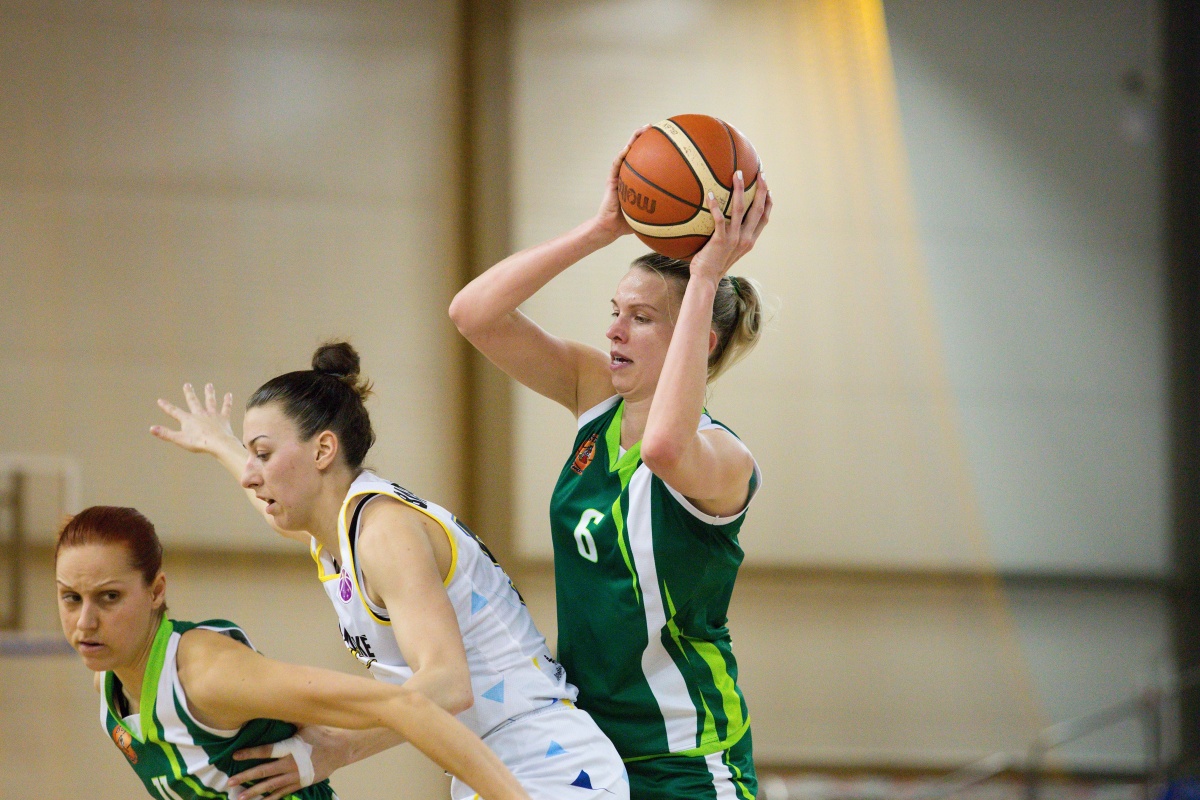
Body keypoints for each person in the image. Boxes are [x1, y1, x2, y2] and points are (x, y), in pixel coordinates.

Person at [447, 126, 772, 800]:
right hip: (589, 746)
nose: (614, 330)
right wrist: (600, 230)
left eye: (641, 318)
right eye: (615, 311)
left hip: (686, 757)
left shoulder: (723, 458)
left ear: (702, 338)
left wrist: (706, 274)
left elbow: (664, 448)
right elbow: (473, 313)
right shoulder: (595, 395)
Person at [150, 343, 627, 800]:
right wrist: (220, 444)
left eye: (264, 453)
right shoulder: (335, 535)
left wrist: (339, 745)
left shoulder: (384, 533)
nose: (251, 475)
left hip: (549, 762)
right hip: (491, 766)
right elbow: (270, 506)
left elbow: (447, 686)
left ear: (323, 450)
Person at [55, 504, 530, 800]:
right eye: (71, 598)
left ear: (156, 591)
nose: (85, 621)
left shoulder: (209, 675)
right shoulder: (109, 679)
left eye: (109, 597)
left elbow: (405, 705)